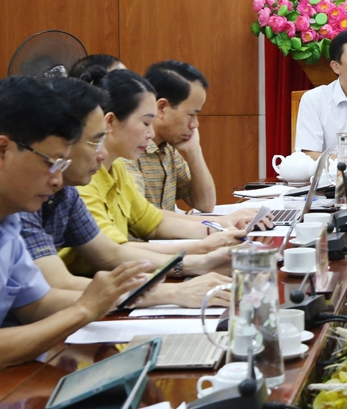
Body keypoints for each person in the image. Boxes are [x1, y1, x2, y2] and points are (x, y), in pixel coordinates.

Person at [0, 76, 148, 386]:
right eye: (52, 163)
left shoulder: (6, 219)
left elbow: (36, 304)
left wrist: (110, 297)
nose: (57, 181)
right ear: (1, 151)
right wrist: (83, 309)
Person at [20, 78, 232, 308]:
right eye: (94, 141)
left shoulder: (66, 193)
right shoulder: (22, 203)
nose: (101, 154)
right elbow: (54, 288)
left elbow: (110, 253)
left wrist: (200, 260)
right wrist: (173, 291)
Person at [71, 68, 244, 275]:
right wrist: (202, 251)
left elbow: (154, 222)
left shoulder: (115, 167)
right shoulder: (81, 177)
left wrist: (219, 228)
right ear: (109, 122)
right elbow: (112, 253)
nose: (151, 132)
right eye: (145, 123)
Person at [120, 60, 217, 214]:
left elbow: (205, 204)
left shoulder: (168, 148)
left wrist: (194, 150)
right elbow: (145, 218)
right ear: (161, 108)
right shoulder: (129, 150)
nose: (195, 124)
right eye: (191, 114)